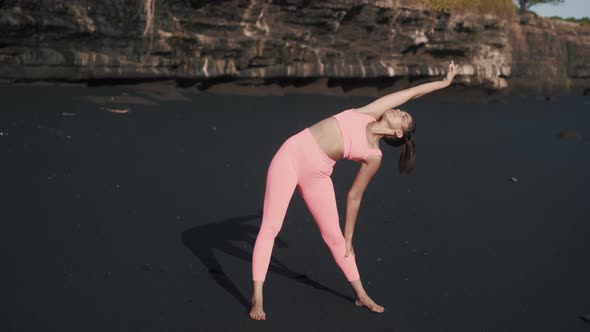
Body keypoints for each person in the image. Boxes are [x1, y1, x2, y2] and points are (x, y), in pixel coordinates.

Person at [249, 61, 460, 320]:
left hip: (318, 175)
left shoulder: (374, 156)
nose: (399, 110)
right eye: (402, 111)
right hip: (290, 156)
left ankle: (361, 294)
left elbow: (354, 195)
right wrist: (444, 82)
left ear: (397, 132)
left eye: (403, 117)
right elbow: (410, 93)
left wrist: (349, 235)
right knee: (271, 226)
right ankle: (257, 297)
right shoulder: (368, 112)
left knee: (336, 239)